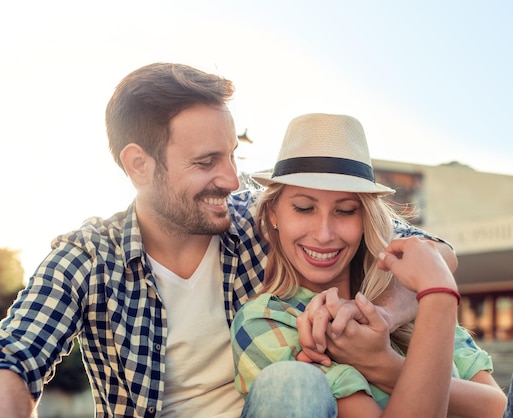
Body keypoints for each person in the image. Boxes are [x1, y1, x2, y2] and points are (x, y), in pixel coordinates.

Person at [0, 63, 456, 418]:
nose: (232, 179)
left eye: (233, 155)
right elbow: (15, 360)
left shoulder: (262, 218)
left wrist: (373, 313)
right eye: (206, 162)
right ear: (139, 165)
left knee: (293, 384)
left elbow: (432, 254)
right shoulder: (90, 257)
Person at [230, 113, 508, 417]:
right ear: (273, 214)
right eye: (304, 208)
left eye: (346, 211)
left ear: (365, 219)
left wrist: (382, 363)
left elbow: (500, 408)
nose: (324, 234)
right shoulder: (267, 321)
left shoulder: (409, 299)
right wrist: (438, 298)